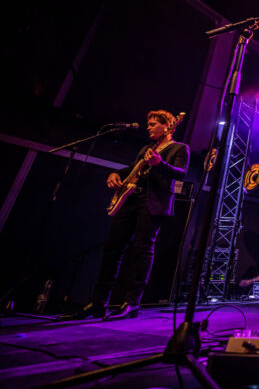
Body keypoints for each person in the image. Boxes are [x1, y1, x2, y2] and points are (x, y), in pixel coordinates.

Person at [61, 110, 189, 321]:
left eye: (153, 124)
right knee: (112, 250)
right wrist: (114, 174)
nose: (148, 127)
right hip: (129, 200)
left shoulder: (179, 148)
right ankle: (99, 303)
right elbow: (131, 169)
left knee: (142, 249)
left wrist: (160, 164)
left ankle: (132, 303)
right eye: (147, 123)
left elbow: (181, 173)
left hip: (152, 202)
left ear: (167, 126)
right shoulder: (145, 148)